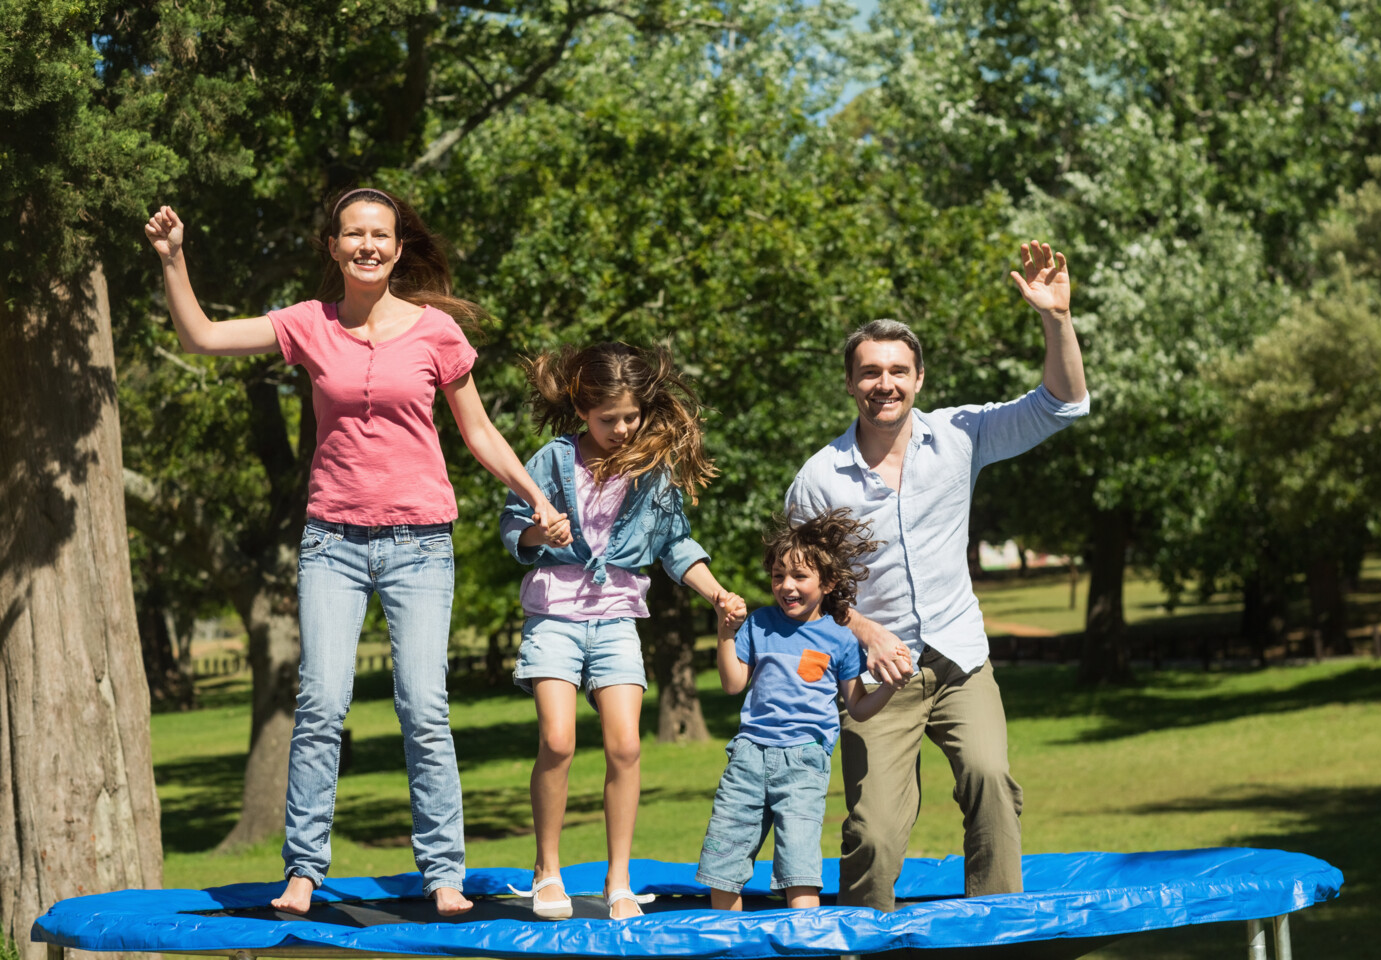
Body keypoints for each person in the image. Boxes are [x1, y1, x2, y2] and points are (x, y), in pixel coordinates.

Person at [143, 190, 569, 917]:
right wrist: (174, 260)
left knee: (424, 707)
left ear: (398, 249)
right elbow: (203, 339)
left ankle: (443, 872)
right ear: (333, 247)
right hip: (333, 543)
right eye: (354, 235)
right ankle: (303, 871)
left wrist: (536, 495)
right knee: (320, 702)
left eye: (381, 235)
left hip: (421, 544)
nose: (368, 245)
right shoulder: (307, 325)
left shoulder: (435, 332)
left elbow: (479, 432)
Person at [784, 241, 1090, 909]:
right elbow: (801, 595)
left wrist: (1057, 318)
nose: (884, 383)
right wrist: (863, 631)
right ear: (849, 384)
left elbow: (1061, 403)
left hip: (959, 660)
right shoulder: (816, 480)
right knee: (874, 833)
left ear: (919, 378)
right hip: (875, 678)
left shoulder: (959, 438)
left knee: (991, 785)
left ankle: (996, 946)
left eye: (898, 370)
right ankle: (861, 947)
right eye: (869, 372)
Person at [498, 342, 747, 921]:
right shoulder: (552, 462)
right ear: (583, 410)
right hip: (555, 616)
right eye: (608, 418)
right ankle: (548, 871)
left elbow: (675, 546)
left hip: (616, 620)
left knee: (627, 745)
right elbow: (513, 529)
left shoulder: (652, 472)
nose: (622, 428)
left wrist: (717, 593)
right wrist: (540, 533)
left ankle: (619, 880)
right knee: (558, 740)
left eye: (631, 416)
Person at [696, 510, 908, 911]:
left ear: (826, 583)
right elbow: (732, 683)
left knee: (799, 867)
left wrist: (891, 688)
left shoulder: (841, 640)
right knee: (724, 864)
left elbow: (858, 707)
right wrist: (725, 632)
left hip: (804, 763)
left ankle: (805, 942)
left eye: (799, 577)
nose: (786, 586)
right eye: (778, 576)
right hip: (748, 757)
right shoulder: (759, 625)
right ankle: (725, 944)